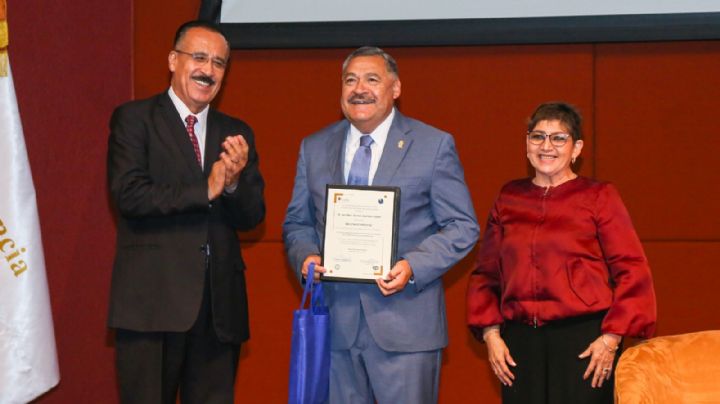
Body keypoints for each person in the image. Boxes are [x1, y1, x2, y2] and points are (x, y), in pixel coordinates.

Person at [283, 46, 479, 403]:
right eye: (350, 80)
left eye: (372, 79)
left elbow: (462, 226)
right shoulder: (313, 147)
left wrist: (413, 266)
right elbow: (298, 222)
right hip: (336, 331)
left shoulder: (433, 145)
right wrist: (306, 256)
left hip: (406, 331)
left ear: (396, 88)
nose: (360, 89)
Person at [107, 20, 265, 403]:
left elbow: (252, 217)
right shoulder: (134, 119)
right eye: (198, 57)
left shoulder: (236, 132)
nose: (208, 70)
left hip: (218, 312)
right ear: (173, 61)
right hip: (151, 306)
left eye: (218, 63)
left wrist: (231, 184)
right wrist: (205, 189)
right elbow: (129, 195)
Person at [466, 102, 656, 404]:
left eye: (558, 138)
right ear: (527, 144)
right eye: (538, 136)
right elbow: (487, 273)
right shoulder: (509, 197)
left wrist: (611, 339)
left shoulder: (599, 196)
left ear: (576, 148)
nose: (546, 146)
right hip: (518, 345)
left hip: (584, 344)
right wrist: (491, 335)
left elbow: (632, 269)